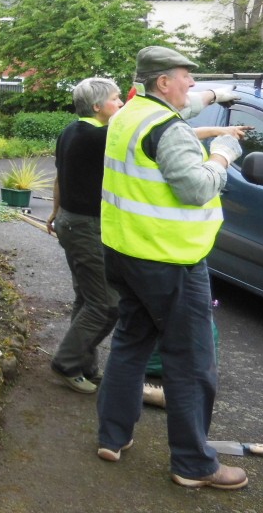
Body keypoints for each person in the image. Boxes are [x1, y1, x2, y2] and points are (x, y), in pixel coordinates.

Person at [96, 46, 247, 491]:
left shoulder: (128, 113)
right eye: (187, 76)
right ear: (164, 82)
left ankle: (112, 436)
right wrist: (222, 153)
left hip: (125, 251)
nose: (192, 84)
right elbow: (196, 188)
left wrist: (220, 95)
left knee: (130, 343)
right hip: (169, 261)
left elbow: (181, 108)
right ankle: (194, 465)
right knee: (192, 360)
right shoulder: (170, 131)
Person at [47, 78, 124, 394]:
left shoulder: (70, 131)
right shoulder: (99, 136)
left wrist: (54, 213)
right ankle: (66, 362)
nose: (121, 105)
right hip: (86, 228)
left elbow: (59, 178)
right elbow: (155, 137)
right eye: (116, 99)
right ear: (97, 106)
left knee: (87, 297)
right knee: (107, 304)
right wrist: (216, 134)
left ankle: (84, 365)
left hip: (70, 222)